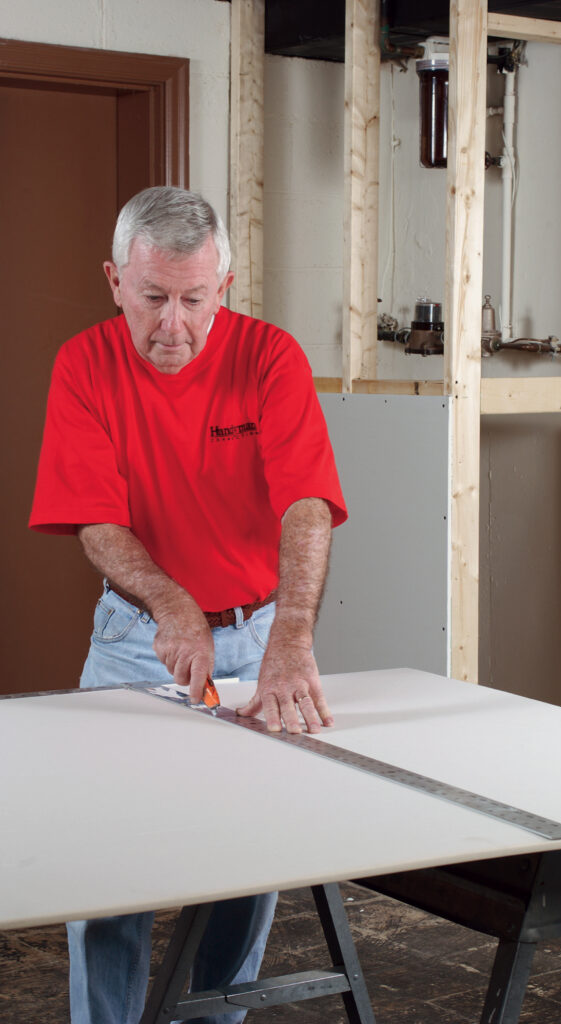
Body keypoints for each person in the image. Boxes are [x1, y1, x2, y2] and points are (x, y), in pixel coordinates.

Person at [29, 186, 347, 1024]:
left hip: (255, 643)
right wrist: (171, 605)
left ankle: (217, 1016)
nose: (173, 325)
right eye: (153, 299)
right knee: (108, 866)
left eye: (193, 301)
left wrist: (290, 634)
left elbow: (306, 504)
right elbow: (97, 522)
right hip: (136, 641)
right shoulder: (84, 364)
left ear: (225, 287)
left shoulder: (270, 357)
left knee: (246, 865)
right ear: (114, 282)